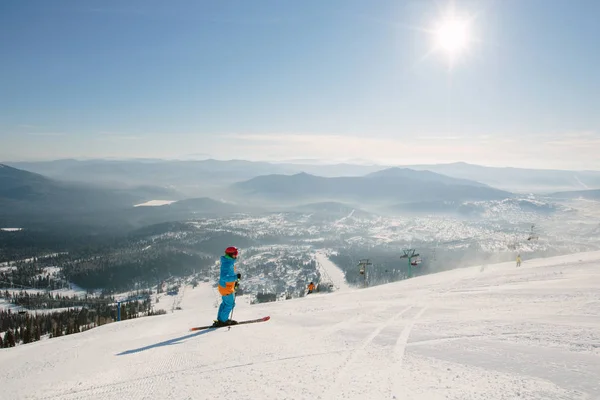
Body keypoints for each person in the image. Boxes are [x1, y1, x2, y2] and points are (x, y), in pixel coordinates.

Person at [213, 246, 241, 327]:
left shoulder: (228, 261)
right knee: (230, 304)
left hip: (225, 287)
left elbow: (229, 275)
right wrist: (235, 277)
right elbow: (224, 277)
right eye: (235, 253)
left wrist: (234, 282)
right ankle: (224, 321)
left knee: (225, 303)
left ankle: (221, 319)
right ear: (230, 254)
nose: (236, 255)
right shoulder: (227, 264)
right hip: (226, 288)